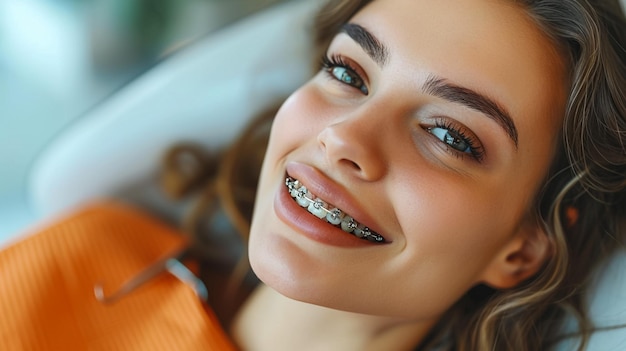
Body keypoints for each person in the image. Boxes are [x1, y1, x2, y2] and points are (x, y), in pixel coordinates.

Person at [159, 0, 626, 349]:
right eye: (348, 74)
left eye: (450, 136)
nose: (344, 138)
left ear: (523, 250)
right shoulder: (94, 244)